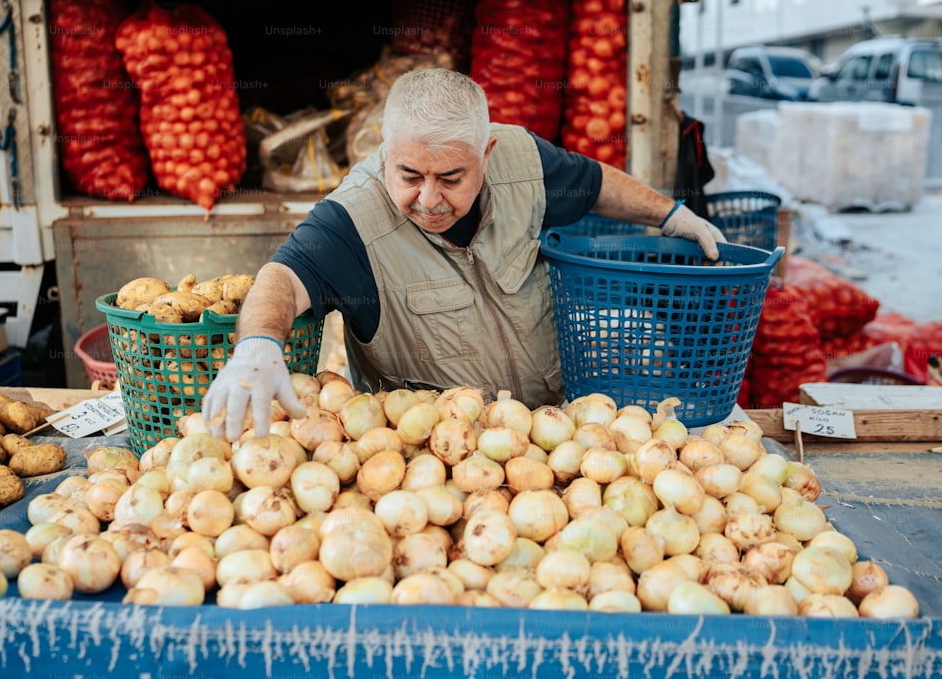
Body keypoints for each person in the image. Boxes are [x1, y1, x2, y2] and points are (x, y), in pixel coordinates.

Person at [203, 68, 725, 441]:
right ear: (386, 151)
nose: (429, 199)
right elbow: (283, 276)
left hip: (553, 439)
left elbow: (593, 184)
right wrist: (256, 345)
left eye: (451, 178)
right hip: (430, 457)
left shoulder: (521, 160)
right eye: (409, 175)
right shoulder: (351, 220)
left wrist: (672, 215)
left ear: (486, 154)